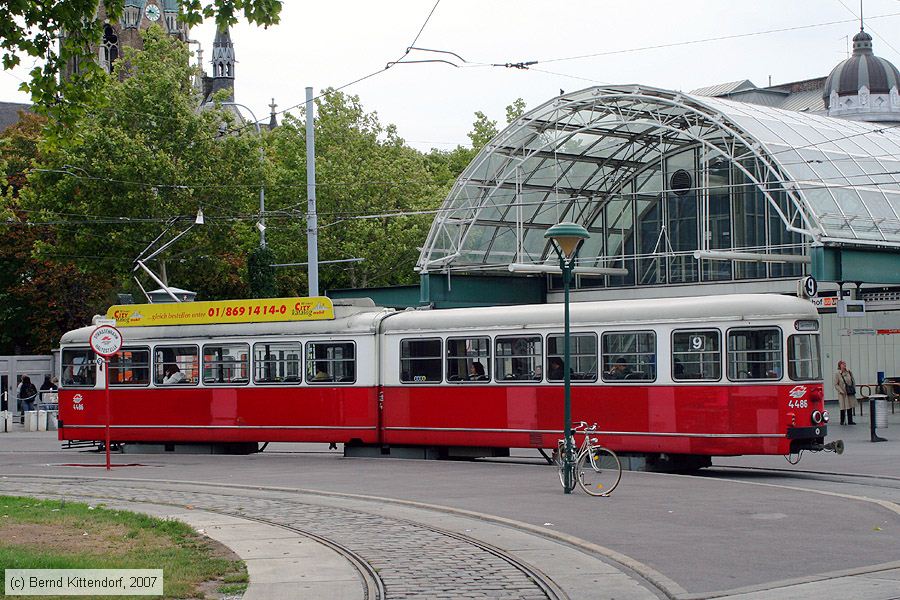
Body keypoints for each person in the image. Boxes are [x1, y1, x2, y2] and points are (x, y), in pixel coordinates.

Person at [833, 360, 856, 425]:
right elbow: (836, 384)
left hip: (849, 392)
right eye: (843, 364)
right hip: (842, 393)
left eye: (845, 364)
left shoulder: (849, 372)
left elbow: (853, 380)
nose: (844, 365)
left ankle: (850, 420)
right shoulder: (837, 374)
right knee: (842, 406)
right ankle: (842, 420)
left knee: (850, 405)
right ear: (839, 365)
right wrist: (840, 390)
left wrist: (853, 388)